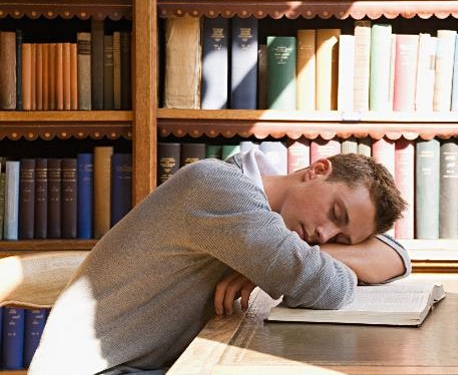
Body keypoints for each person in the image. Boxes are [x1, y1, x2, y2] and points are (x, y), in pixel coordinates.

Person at [29, 149, 410, 374]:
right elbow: (330, 288)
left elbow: (397, 256)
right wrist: (299, 263)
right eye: (335, 213)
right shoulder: (219, 187)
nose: (325, 235)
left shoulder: (258, 216)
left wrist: (282, 262)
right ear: (318, 169)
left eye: (342, 240)